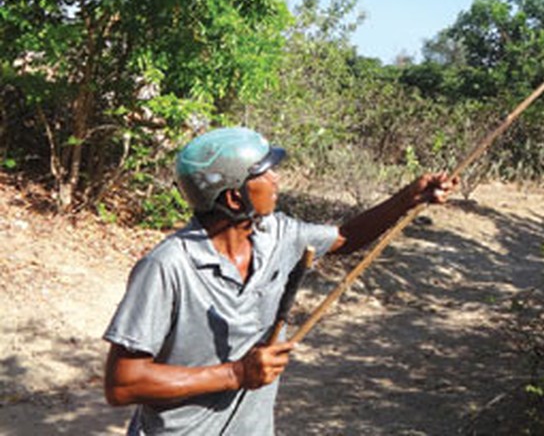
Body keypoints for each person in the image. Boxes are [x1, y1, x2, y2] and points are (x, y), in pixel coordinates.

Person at [103, 126, 456, 435]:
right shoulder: (168, 267)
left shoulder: (278, 236)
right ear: (232, 196)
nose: (277, 180)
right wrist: (236, 374)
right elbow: (122, 383)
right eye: (265, 173)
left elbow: (345, 237)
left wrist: (408, 198)